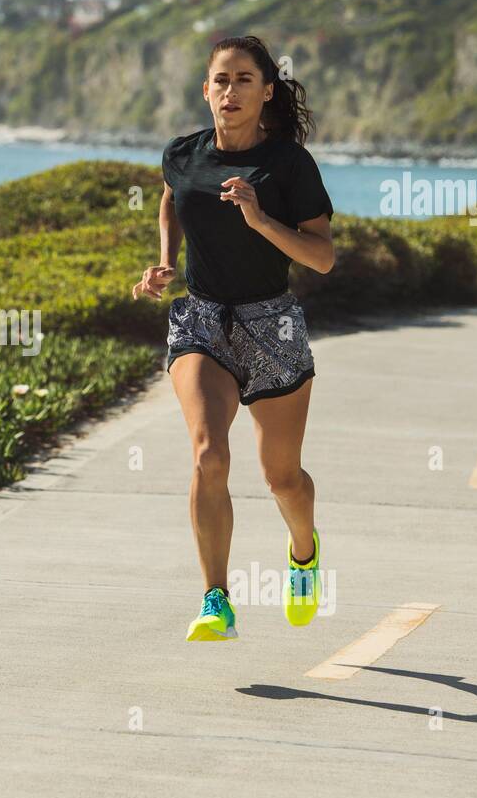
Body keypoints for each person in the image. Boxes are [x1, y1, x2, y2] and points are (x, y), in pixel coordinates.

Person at [132, 35, 335, 642]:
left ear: (266, 91)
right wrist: (166, 259)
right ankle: (216, 599)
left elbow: (322, 258)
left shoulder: (289, 165)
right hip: (201, 319)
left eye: (244, 79)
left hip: (271, 324)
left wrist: (260, 219)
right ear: (205, 90)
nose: (231, 91)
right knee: (208, 454)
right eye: (221, 80)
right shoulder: (183, 153)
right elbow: (172, 199)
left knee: (282, 478)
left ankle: (303, 552)